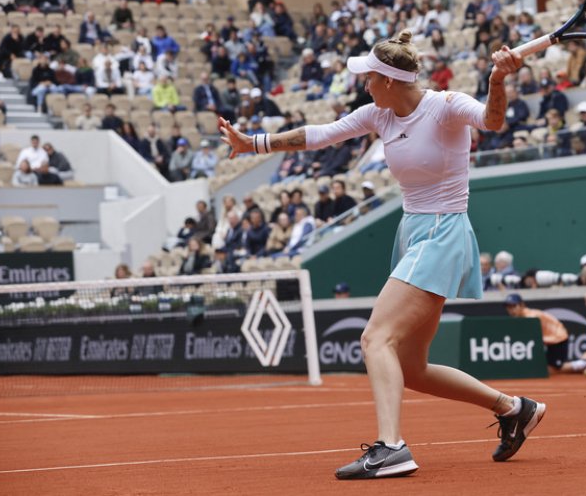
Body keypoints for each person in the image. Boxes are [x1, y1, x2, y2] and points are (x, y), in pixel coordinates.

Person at [220, 29, 544, 479]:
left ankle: (392, 447)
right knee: (411, 368)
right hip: (413, 232)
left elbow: (492, 121)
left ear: (389, 80)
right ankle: (513, 408)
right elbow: (320, 135)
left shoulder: (446, 105)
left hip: (442, 231)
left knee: (375, 338)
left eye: (369, 77)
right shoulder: (379, 114)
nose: (364, 84)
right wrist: (252, 143)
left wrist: (497, 81)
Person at [504, 293, 586, 374]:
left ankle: (584, 363)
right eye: (509, 307)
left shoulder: (530, 317)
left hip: (558, 339)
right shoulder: (521, 318)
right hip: (548, 341)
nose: (511, 310)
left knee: (549, 371)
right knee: (542, 369)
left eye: (514, 306)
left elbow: (532, 339)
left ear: (522, 305)